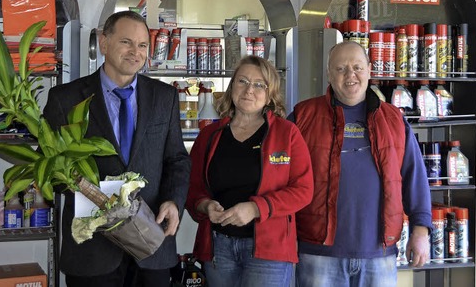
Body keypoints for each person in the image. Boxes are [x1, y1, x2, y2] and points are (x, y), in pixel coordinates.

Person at [43, 10, 191, 287]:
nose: (135, 52)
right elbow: (50, 170)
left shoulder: (165, 96)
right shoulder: (65, 99)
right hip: (92, 251)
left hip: (151, 246)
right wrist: (92, 192)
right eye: (126, 42)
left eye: (142, 45)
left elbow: (177, 160)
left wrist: (174, 201)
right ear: (103, 43)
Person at [290, 41, 432, 286]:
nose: (350, 75)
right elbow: (281, 178)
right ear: (328, 73)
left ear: (369, 69)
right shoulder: (303, 116)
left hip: (379, 253)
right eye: (341, 69)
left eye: (357, 67)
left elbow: (414, 177)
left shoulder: (394, 120)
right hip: (318, 253)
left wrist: (421, 229)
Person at [185, 55, 314, 287]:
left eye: (259, 85)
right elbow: (192, 188)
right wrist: (205, 205)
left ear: (270, 94)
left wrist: (256, 208)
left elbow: (303, 190)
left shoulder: (287, 134)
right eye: (242, 81)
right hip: (219, 248)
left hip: (269, 252)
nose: (249, 90)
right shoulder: (210, 135)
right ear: (232, 86)